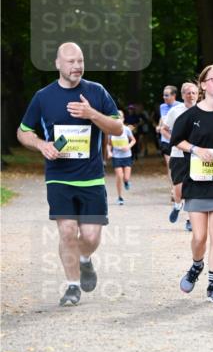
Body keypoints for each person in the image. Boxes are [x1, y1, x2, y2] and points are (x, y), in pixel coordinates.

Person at [16, 41, 123, 306]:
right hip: (59, 176)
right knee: (67, 231)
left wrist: (92, 113)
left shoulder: (96, 92)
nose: (77, 66)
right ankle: (72, 286)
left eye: (80, 61)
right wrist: (41, 145)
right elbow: (23, 131)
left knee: (90, 236)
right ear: (58, 64)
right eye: (71, 61)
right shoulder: (43, 97)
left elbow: (118, 128)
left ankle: (84, 258)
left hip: (91, 177)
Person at [169, 64, 213, 303]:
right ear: (203, 84)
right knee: (199, 237)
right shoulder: (190, 116)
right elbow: (176, 140)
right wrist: (196, 149)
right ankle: (196, 265)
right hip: (196, 182)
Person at [162, 81, 199, 228]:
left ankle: (190, 220)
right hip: (178, 154)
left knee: (193, 187)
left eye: (194, 93)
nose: (191, 95)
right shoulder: (175, 111)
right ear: (183, 95)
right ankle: (178, 205)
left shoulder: (203, 110)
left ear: (198, 95)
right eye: (188, 93)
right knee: (178, 190)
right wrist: (174, 140)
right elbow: (164, 129)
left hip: (196, 154)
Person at [106, 109, 136, 205]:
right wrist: (109, 152)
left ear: (123, 119)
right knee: (119, 176)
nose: (118, 119)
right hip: (116, 156)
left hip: (127, 156)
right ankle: (120, 197)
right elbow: (108, 144)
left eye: (120, 118)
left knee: (126, 178)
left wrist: (128, 146)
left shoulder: (126, 129)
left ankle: (126, 182)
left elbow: (133, 140)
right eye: (116, 118)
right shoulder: (111, 131)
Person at [158, 85, 182, 198]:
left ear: (174, 96)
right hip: (166, 140)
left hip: (178, 141)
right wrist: (159, 126)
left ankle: (179, 188)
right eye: (164, 95)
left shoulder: (180, 106)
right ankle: (173, 190)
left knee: (178, 166)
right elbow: (162, 119)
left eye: (167, 95)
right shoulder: (162, 106)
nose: (164, 97)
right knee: (170, 165)